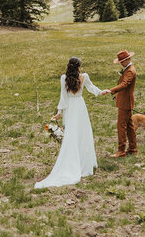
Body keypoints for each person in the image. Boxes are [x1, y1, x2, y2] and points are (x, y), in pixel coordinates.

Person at [34, 57, 104, 189]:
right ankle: (84, 164)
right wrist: (102, 92)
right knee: (83, 134)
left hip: (70, 109)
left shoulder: (63, 78)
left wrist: (59, 112)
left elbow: (63, 97)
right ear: (78, 67)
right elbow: (91, 88)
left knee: (72, 134)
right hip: (80, 107)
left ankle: (72, 163)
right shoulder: (84, 76)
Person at [102, 50, 137, 158]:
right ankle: (132, 148)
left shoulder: (130, 71)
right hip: (125, 101)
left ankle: (121, 150)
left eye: (122, 61)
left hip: (125, 102)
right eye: (120, 61)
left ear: (128, 59)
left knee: (121, 126)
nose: (121, 63)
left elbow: (124, 84)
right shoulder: (128, 69)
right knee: (130, 126)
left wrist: (111, 90)